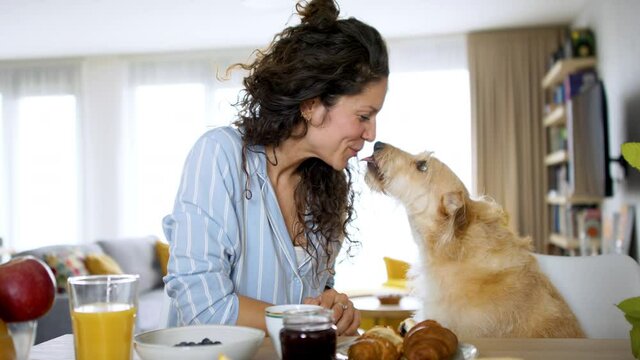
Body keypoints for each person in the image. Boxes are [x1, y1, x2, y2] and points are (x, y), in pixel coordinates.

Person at [162, 0, 389, 336]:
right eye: (363, 116)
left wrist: (334, 308)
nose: (371, 134)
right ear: (312, 105)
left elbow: (318, 293)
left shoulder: (329, 187)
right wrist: (306, 319)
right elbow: (203, 308)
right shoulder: (220, 156)